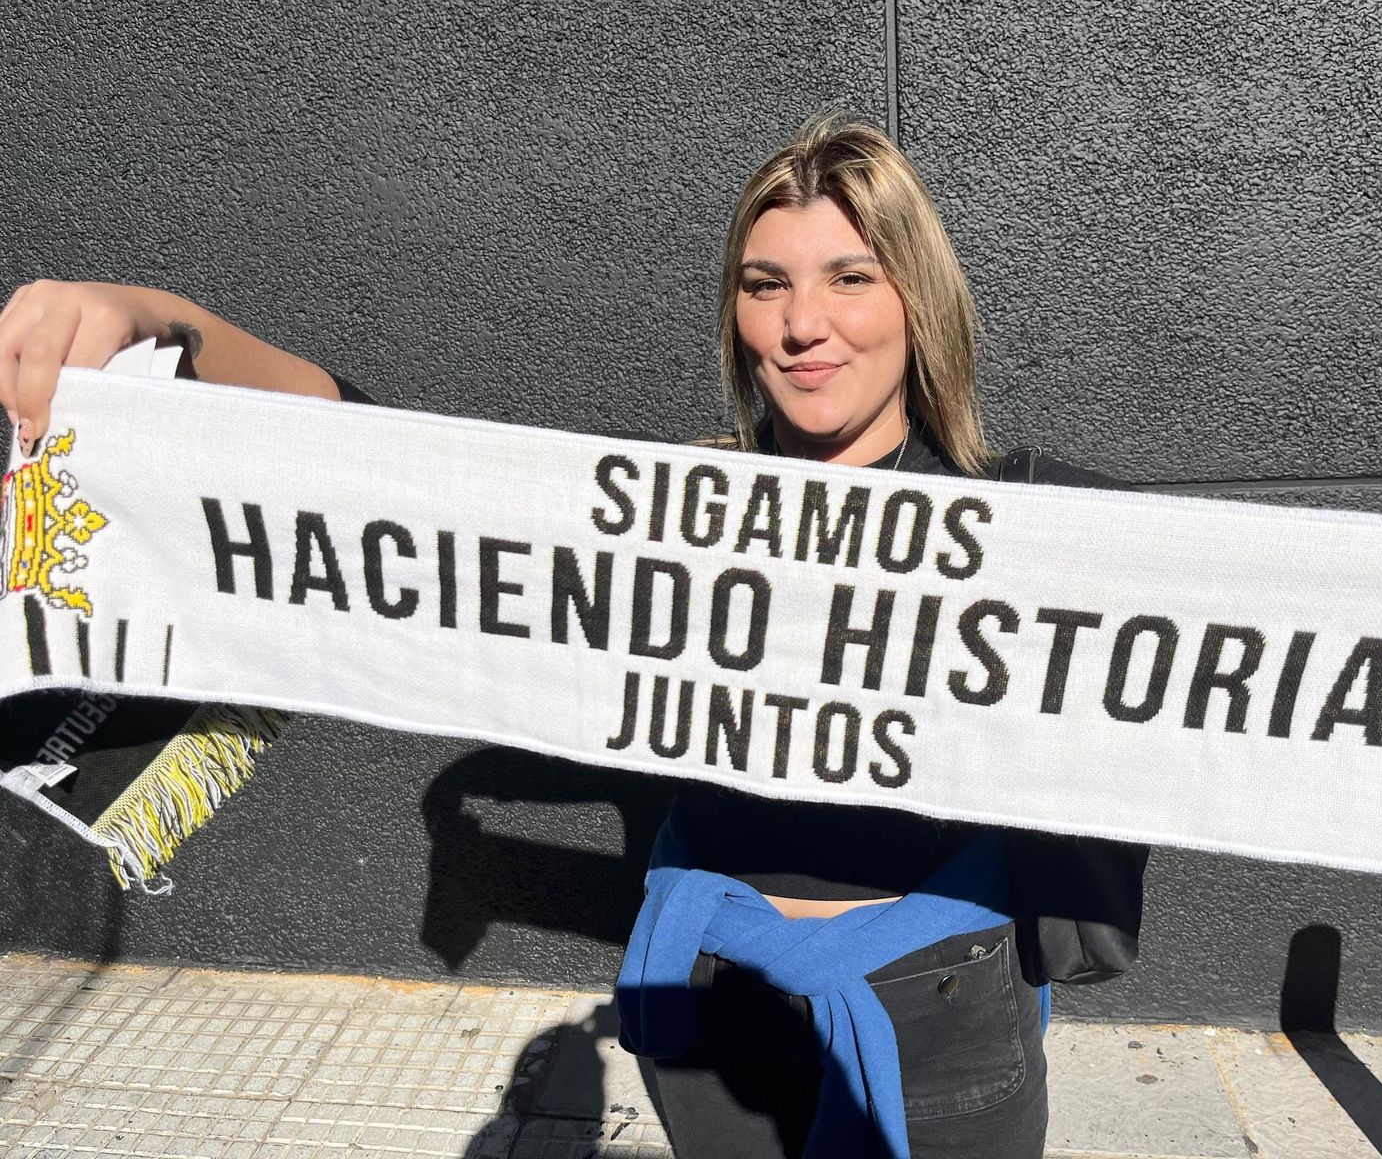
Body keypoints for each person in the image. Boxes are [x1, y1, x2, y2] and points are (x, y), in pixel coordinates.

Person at [0, 113, 1146, 1159]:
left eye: (850, 277)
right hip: (713, 998)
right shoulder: (670, 510)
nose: (802, 324)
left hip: (937, 1009)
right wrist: (166, 325)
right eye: (765, 285)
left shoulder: (1039, 519)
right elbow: (381, 469)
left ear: (917, 299)